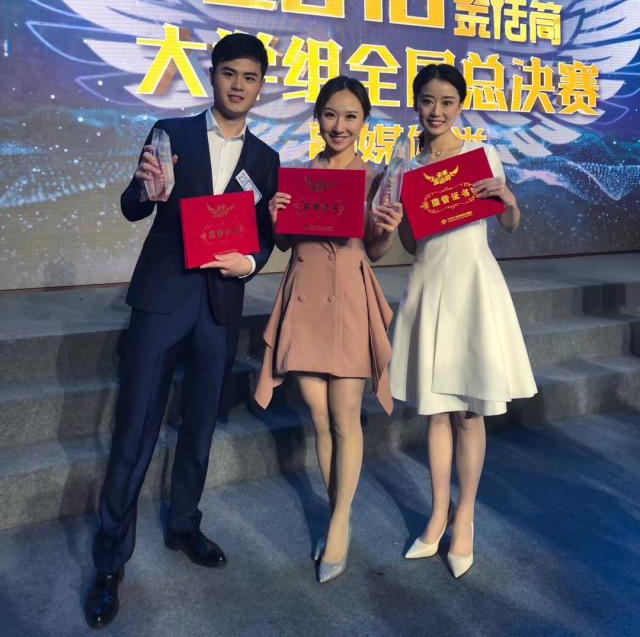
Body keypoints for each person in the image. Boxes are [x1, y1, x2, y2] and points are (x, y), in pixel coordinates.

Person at [84, 33, 279, 628]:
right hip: (163, 299)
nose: (239, 84)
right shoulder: (170, 133)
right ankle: (110, 562)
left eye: (250, 76)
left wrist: (251, 263)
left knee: (199, 426)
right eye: (229, 72)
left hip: (220, 304)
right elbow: (132, 205)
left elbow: (265, 236)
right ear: (212, 75)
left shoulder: (265, 159)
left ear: (261, 85)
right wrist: (147, 191)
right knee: (134, 428)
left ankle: (183, 524)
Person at [390, 63, 537, 579]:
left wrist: (510, 201)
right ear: (416, 103)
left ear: (460, 105)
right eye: (428, 101)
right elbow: (411, 243)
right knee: (436, 412)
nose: (437, 111)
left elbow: (509, 224)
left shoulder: (480, 156)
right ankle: (438, 514)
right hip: (430, 283)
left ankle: (466, 515)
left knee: (470, 413)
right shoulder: (407, 166)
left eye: (447, 102)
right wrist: (397, 215)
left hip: (473, 285)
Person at [255, 75, 403, 584]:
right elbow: (284, 242)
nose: (339, 125)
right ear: (317, 117)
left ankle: (338, 521)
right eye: (330, 114)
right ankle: (338, 510)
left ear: (364, 122)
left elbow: (375, 251)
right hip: (305, 295)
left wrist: (384, 229)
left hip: (349, 301)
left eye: (350, 116)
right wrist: (274, 216)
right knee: (318, 417)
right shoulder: (298, 176)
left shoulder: (376, 179)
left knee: (345, 417)